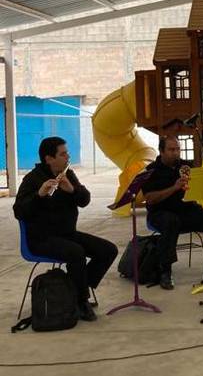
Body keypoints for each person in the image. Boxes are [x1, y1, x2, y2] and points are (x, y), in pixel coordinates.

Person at [13, 137, 118, 321]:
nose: (68, 157)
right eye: (63, 154)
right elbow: (19, 211)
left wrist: (72, 190)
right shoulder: (32, 179)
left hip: (67, 234)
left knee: (108, 250)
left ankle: (76, 289)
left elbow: (85, 200)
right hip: (41, 239)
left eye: (67, 153)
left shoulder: (67, 174)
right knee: (76, 252)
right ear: (49, 158)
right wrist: (39, 195)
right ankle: (81, 301)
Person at [141, 135, 203, 290]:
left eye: (178, 149)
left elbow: (198, 189)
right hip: (160, 213)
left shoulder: (186, 166)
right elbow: (150, 199)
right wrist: (174, 188)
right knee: (171, 221)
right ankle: (165, 271)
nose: (176, 153)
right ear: (161, 151)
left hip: (186, 210)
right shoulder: (151, 171)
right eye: (171, 150)